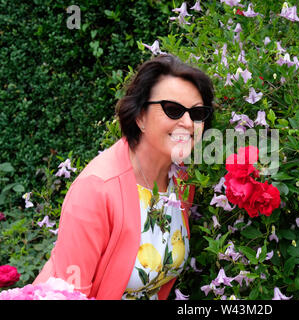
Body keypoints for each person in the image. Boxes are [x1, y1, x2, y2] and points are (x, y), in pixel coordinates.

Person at [33, 54, 215, 300]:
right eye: (173, 110)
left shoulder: (181, 179)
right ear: (140, 116)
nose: (188, 123)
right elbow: (68, 294)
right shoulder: (97, 189)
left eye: (197, 113)